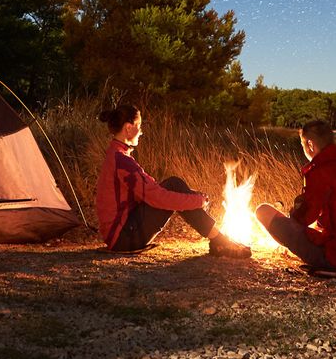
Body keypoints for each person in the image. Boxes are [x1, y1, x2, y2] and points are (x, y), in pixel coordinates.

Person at [96, 104, 251, 258]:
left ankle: (219, 240)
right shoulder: (122, 161)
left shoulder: (116, 155)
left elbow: (150, 190)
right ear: (129, 128)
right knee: (174, 185)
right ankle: (220, 241)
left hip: (120, 235)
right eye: (139, 126)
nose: (141, 132)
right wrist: (198, 201)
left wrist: (191, 197)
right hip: (124, 238)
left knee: (173, 185)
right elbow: (158, 197)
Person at [255, 119, 336, 280]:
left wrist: (293, 213)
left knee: (263, 211)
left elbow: (304, 219)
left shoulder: (319, 171)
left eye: (303, 145)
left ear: (310, 144)